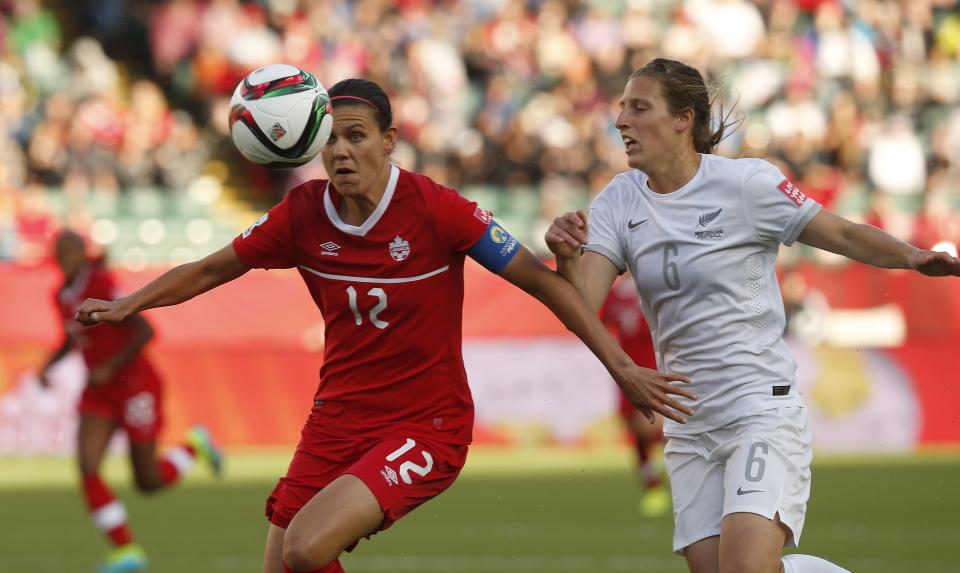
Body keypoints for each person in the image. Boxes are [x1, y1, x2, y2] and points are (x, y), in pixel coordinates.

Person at [75, 78, 696, 573]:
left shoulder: (438, 210)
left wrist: (623, 368)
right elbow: (212, 270)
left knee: (304, 549)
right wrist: (131, 302)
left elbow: (544, 286)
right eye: (331, 141)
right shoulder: (301, 215)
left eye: (356, 136)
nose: (341, 152)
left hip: (426, 424)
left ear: (389, 140)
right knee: (281, 569)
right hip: (336, 418)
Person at [545, 58, 960, 573]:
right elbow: (580, 304)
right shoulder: (618, 201)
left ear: (683, 119)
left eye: (638, 107)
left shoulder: (745, 184)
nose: (621, 120)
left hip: (758, 409)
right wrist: (566, 258)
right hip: (688, 424)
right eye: (621, 108)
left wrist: (911, 256)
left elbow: (843, 233)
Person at [39, 230, 223, 573]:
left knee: (148, 481)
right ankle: (126, 551)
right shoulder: (60, 295)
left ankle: (193, 446)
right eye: (58, 250)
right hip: (101, 392)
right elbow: (72, 337)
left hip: (136, 386)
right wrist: (48, 365)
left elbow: (145, 331)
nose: (63, 256)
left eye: (70, 249)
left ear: (82, 253)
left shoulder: (100, 281)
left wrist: (110, 366)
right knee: (87, 466)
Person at [599, 277, 669, 517]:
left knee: (661, 431)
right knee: (639, 435)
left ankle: (682, 481)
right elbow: (602, 324)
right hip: (626, 372)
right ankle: (653, 488)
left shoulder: (656, 287)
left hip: (656, 369)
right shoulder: (616, 293)